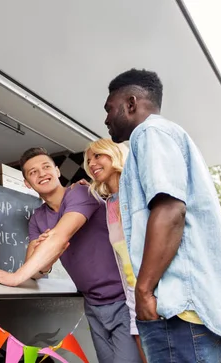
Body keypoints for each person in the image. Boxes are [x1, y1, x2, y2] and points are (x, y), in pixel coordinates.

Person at [103, 68, 221, 361]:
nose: (105, 119)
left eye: (109, 108)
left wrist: (144, 291)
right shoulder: (166, 135)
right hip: (185, 311)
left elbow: (170, 210)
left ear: (131, 103)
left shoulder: (150, 133)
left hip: (177, 309)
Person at [0, 147, 142, 363]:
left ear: (57, 171)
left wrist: (15, 276)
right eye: (33, 172)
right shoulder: (37, 217)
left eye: (46, 167)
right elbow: (36, 271)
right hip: (93, 305)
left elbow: (60, 236)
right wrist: (48, 259)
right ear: (27, 183)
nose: (42, 173)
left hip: (124, 301)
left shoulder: (81, 193)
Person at [83, 139, 146, 363]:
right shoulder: (108, 203)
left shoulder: (138, 191)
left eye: (98, 156)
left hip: (154, 294)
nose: (92, 163)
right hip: (133, 300)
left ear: (115, 154)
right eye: (89, 160)